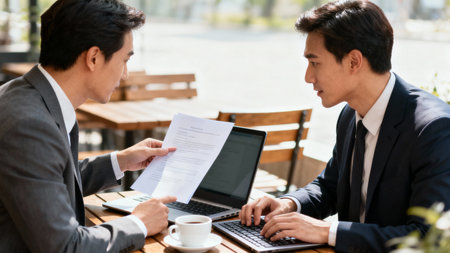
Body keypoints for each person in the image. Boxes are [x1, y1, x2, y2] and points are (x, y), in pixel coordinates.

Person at [240, 1, 450, 252]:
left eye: (314, 62)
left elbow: (430, 238)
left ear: (353, 61)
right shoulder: (349, 114)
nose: (308, 77)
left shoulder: (434, 129)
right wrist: (289, 203)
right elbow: (330, 187)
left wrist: (326, 231)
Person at [0, 0, 177, 252]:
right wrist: (138, 223)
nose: (125, 74)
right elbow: (65, 246)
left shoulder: (24, 95)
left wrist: (121, 161)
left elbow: (47, 179)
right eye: (124, 60)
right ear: (93, 57)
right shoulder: (29, 125)